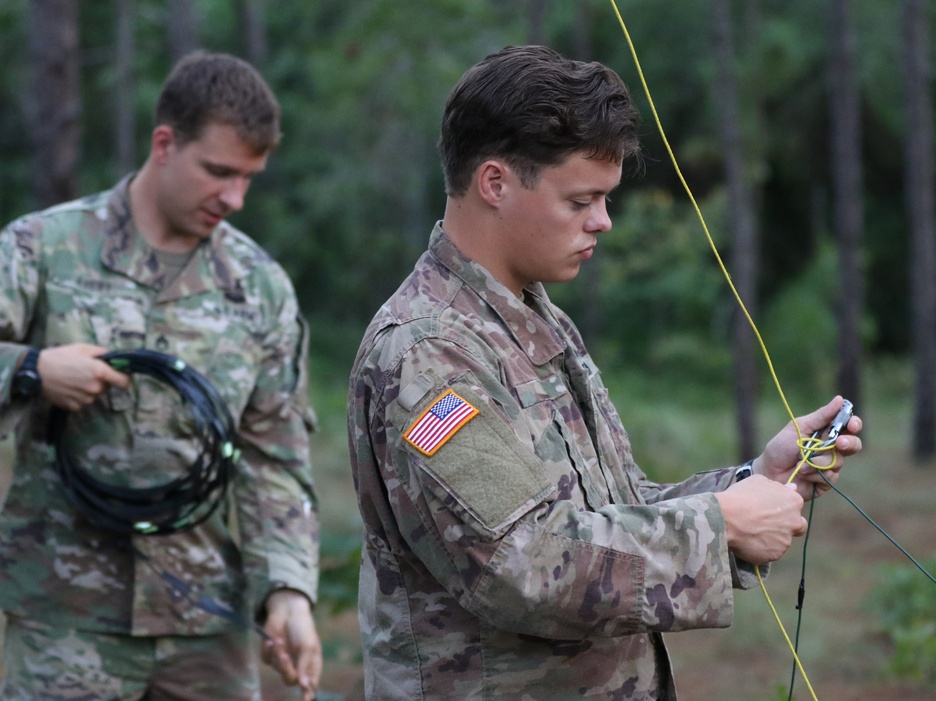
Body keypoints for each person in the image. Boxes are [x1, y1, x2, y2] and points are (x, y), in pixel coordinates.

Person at [347, 44, 864, 700]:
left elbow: (606, 514)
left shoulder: (539, 318)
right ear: (496, 183)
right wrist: (721, 523)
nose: (603, 221)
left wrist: (752, 480)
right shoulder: (427, 353)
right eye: (581, 199)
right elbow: (521, 562)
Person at [0, 52, 321, 700]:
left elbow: (273, 457)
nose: (234, 198)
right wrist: (32, 368)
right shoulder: (42, 248)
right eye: (219, 172)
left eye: (249, 178)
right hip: (66, 617)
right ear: (165, 144)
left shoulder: (259, 289)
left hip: (206, 621)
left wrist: (287, 589)